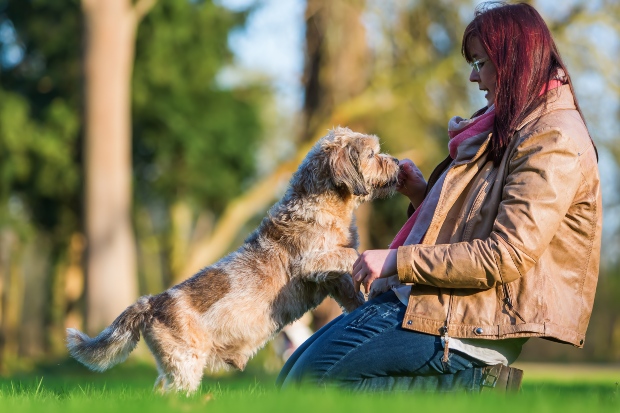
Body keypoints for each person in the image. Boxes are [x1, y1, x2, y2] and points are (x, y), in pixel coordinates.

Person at [276, 1, 601, 393]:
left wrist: (398, 259)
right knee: (291, 374)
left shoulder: (554, 139)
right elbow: (477, 219)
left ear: (514, 62)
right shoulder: (513, 124)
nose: (473, 78)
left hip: (472, 319)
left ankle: (474, 387)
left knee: (309, 384)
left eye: (481, 63)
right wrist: (421, 195)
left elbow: (507, 254)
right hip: (439, 300)